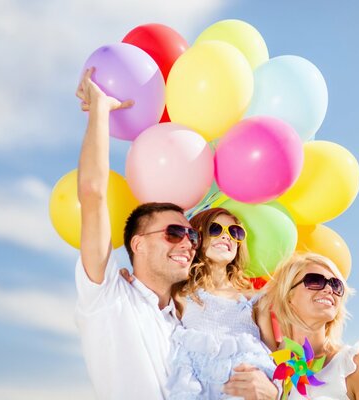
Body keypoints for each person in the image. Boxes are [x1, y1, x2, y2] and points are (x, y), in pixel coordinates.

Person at [74, 68, 277, 400]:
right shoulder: (109, 296)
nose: (187, 242)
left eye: (191, 236)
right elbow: (93, 194)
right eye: (173, 232)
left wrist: (272, 390)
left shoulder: (184, 323)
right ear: (137, 243)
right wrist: (100, 110)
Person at [166, 207, 277, 399]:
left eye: (235, 233)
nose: (227, 237)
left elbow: (274, 357)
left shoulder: (254, 299)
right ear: (197, 237)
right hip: (200, 390)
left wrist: (275, 391)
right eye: (215, 229)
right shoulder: (180, 292)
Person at [260, 253, 359, 400]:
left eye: (336, 285)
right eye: (314, 281)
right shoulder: (270, 366)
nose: (328, 289)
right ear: (288, 297)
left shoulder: (354, 363)